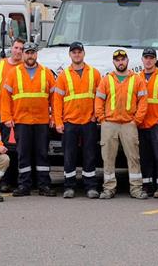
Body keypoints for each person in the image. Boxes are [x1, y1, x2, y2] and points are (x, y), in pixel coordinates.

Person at [2, 42, 55, 197]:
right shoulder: (14, 73)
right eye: (27, 52)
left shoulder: (46, 73)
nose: (30, 55)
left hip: (42, 121)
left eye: (33, 52)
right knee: (23, 154)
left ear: (36, 54)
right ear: (23, 54)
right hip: (21, 120)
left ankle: (44, 185)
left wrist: (53, 117)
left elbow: (55, 97)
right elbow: (5, 98)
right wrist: (7, 117)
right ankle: (24, 185)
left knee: (42, 154)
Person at [95, 49, 148, 199]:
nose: (120, 62)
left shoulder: (136, 79)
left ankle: (136, 189)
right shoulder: (107, 79)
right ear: (113, 62)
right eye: (117, 60)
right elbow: (98, 100)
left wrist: (136, 121)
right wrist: (102, 119)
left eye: (123, 59)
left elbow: (143, 102)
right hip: (109, 124)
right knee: (108, 157)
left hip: (129, 124)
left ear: (127, 61)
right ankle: (109, 188)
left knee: (133, 157)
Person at [52, 42, 101, 199]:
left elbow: (100, 97)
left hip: (89, 121)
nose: (77, 54)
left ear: (84, 53)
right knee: (69, 155)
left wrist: (96, 115)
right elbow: (57, 101)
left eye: (79, 52)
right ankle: (69, 186)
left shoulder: (95, 73)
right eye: (74, 52)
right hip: (70, 122)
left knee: (90, 155)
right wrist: (58, 122)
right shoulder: (63, 76)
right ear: (70, 55)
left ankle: (91, 186)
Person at [0, 38, 24, 192]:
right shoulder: (0, 64)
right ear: (12, 48)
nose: (18, 51)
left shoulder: (23, 67)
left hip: (12, 114)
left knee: (11, 149)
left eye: (21, 49)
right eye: (16, 48)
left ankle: (8, 181)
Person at [137, 48, 158, 198]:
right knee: (145, 157)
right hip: (142, 124)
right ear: (142, 60)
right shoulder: (137, 78)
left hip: (157, 124)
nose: (148, 60)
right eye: (146, 57)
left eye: (151, 58)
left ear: (156, 60)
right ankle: (147, 185)